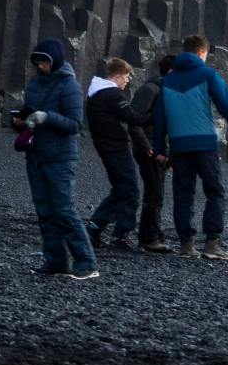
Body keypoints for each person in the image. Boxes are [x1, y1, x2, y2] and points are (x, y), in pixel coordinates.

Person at [153, 34, 228, 261]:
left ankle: (186, 245)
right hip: (204, 143)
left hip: (179, 145)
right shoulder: (207, 74)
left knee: (183, 194)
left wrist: (159, 149)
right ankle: (212, 243)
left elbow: (160, 117)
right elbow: (227, 106)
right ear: (201, 53)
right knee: (214, 191)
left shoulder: (167, 80)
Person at [14, 38, 97, 279]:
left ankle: (87, 263)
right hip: (36, 155)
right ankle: (55, 261)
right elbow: (29, 115)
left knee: (63, 210)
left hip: (60, 157)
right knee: (45, 212)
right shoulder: (34, 85)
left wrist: (46, 117)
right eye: (38, 62)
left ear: (55, 60)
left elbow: (75, 124)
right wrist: (19, 121)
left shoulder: (69, 85)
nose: (41, 66)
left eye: (45, 61)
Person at [86, 57, 150, 249]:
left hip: (104, 146)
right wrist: (155, 116)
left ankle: (95, 227)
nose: (128, 81)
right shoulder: (112, 95)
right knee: (130, 190)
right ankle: (120, 235)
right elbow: (132, 118)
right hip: (115, 147)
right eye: (127, 76)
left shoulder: (95, 93)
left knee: (121, 189)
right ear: (117, 76)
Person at [132, 54, 173, 253]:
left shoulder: (161, 89)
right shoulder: (150, 89)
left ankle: (152, 233)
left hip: (157, 147)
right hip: (149, 149)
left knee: (156, 192)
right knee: (154, 193)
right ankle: (149, 238)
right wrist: (147, 146)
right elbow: (133, 120)